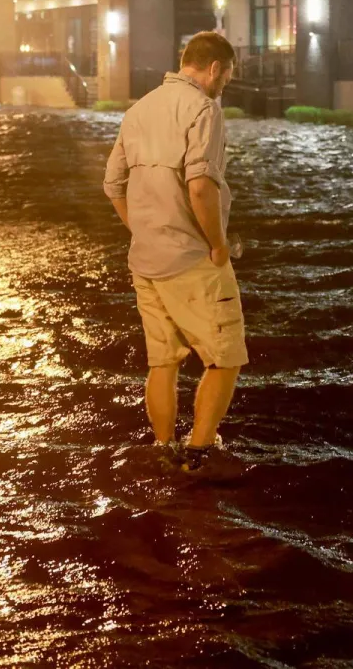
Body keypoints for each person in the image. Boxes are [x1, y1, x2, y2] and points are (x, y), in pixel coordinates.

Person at [103, 31, 245, 472]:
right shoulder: (204, 109)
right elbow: (201, 187)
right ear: (214, 68)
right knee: (224, 357)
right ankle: (199, 453)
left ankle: (163, 448)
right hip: (191, 260)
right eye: (227, 77)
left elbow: (112, 186)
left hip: (146, 260)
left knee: (163, 362)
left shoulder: (138, 109)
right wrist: (218, 247)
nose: (225, 86)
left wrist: (143, 230)